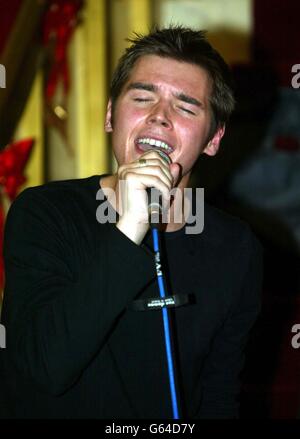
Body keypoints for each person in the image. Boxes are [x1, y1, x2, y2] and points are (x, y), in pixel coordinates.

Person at [0, 26, 262, 419]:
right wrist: (131, 223)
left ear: (213, 139)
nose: (159, 117)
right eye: (142, 98)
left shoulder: (235, 246)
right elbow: (44, 369)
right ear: (110, 115)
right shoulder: (44, 213)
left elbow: (218, 394)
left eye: (186, 107)